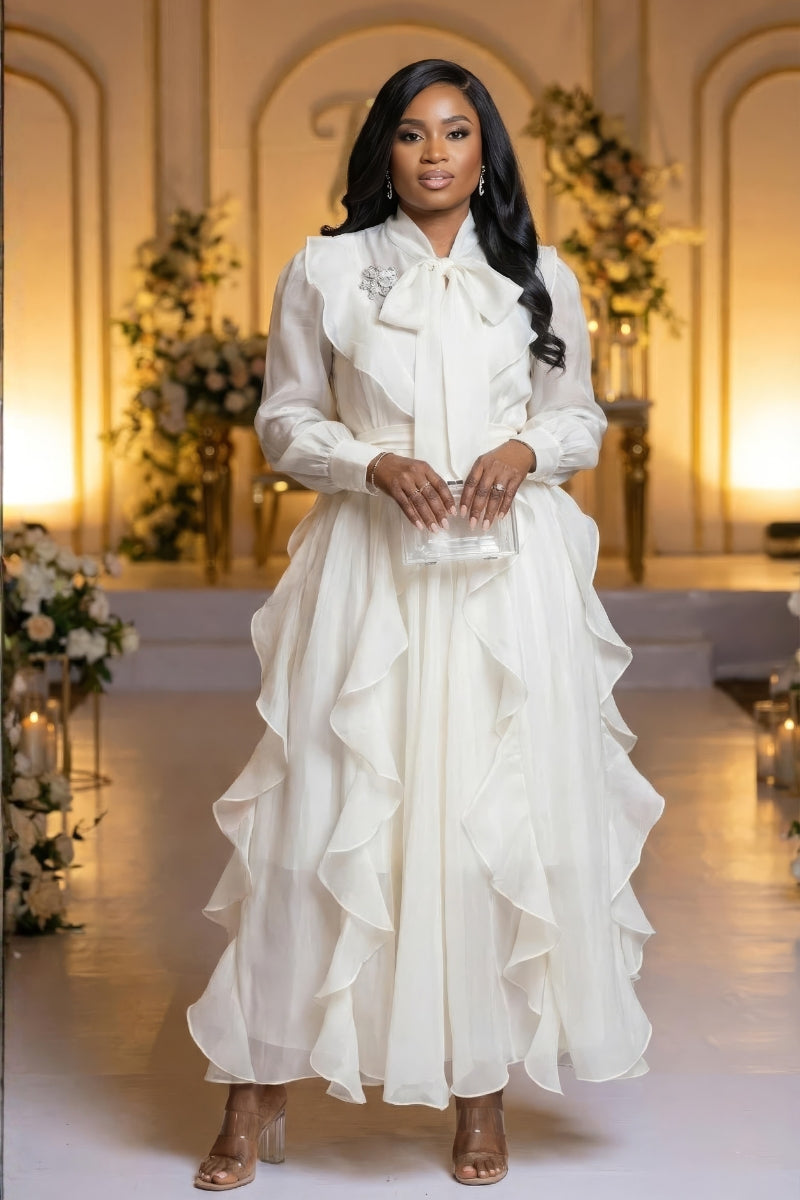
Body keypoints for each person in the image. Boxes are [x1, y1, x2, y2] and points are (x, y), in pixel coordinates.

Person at [188, 58, 664, 1190]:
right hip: (369, 573)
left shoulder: (537, 275)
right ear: (383, 152)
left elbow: (578, 419)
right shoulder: (327, 270)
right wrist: (369, 461)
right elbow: (285, 417)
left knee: (481, 820)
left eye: (457, 132)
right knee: (322, 817)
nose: (435, 153)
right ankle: (252, 1093)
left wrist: (522, 450)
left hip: (507, 581)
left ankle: (477, 1095)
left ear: (485, 151)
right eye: (411, 134)